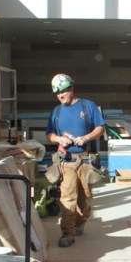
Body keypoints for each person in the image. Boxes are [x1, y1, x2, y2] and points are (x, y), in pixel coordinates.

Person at [46, 73, 105, 247]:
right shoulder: (56, 112)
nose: (60, 96)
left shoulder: (88, 107)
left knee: (85, 198)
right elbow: (49, 134)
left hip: (86, 161)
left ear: (71, 88)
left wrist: (86, 138)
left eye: (62, 91)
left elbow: (100, 128)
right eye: (57, 93)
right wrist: (58, 139)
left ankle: (80, 221)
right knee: (67, 198)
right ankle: (67, 233)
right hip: (66, 161)